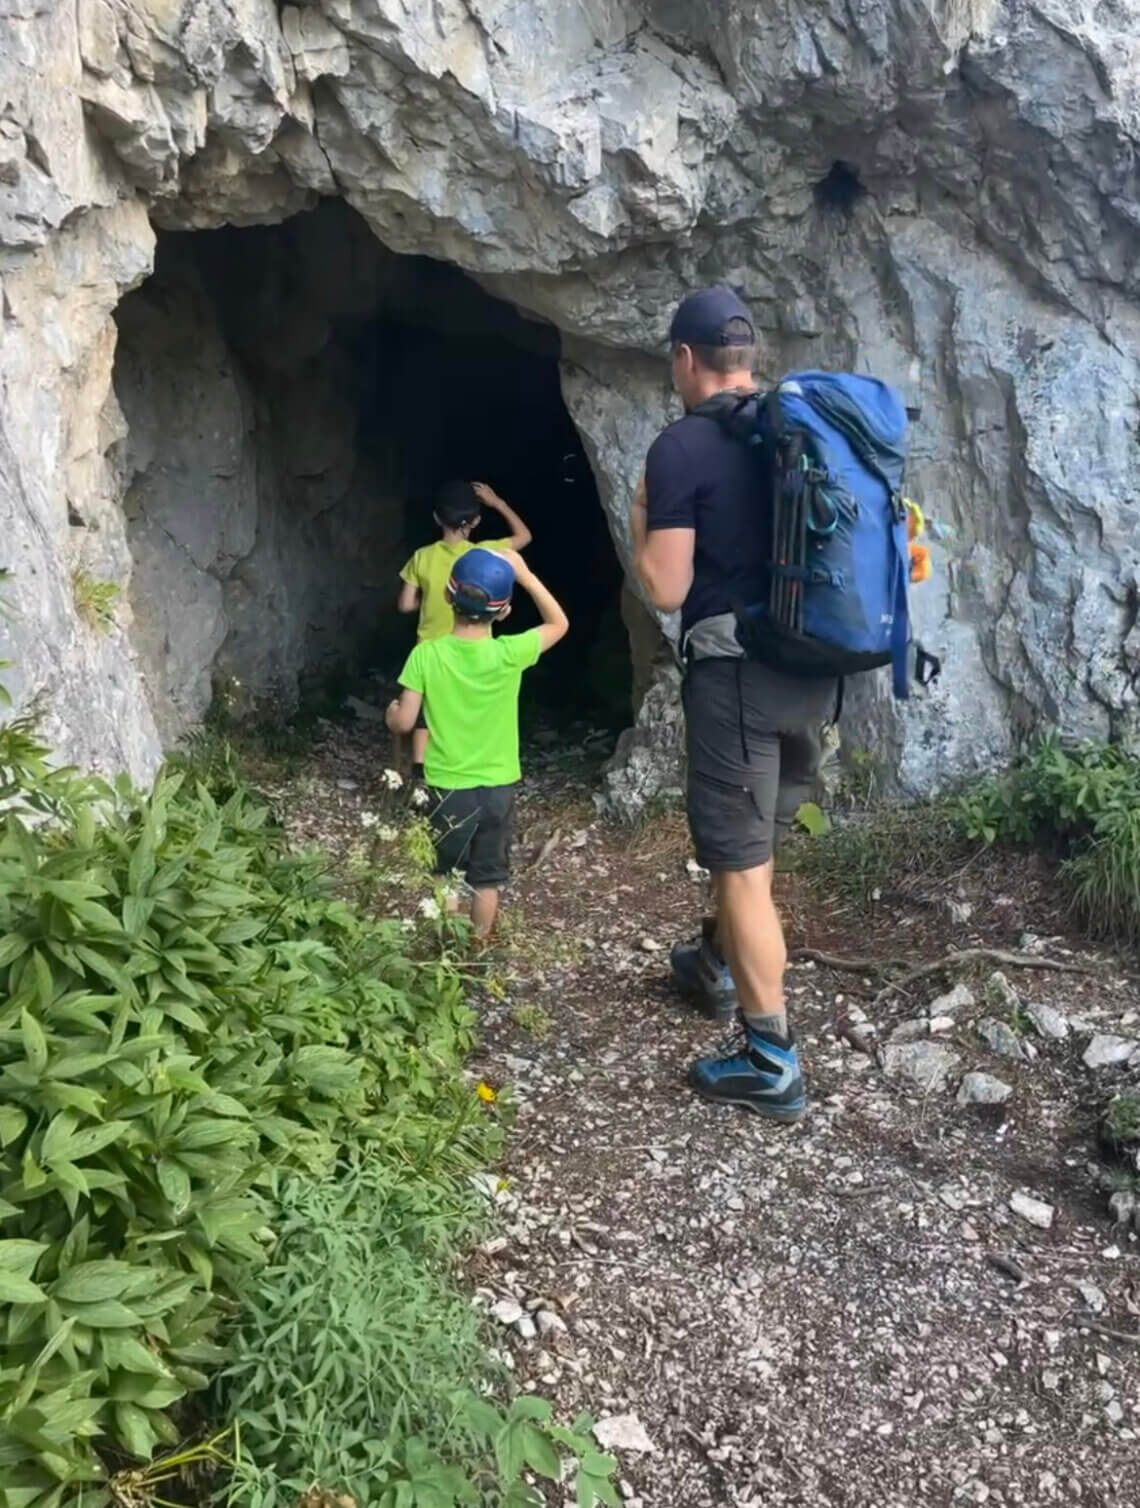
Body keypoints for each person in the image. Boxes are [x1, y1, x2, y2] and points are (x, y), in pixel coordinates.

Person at [630, 286, 837, 1122]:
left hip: (738, 675)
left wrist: (643, 520)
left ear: (686, 359)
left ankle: (770, 1057)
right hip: (817, 672)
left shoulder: (681, 447)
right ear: (746, 358)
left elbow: (667, 584)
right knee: (757, 845)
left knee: (742, 866)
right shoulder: (803, 431)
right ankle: (715, 961)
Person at [385, 548, 568, 939]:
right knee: (487, 878)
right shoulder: (509, 653)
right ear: (502, 611)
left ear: (448, 597)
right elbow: (559, 623)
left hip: (448, 785)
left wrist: (390, 715)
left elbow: (404, 722)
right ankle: (479, 948)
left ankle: (448, 950)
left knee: (446, 874)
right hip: (498, 786)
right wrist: (526, 574)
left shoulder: (426, 655)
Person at [397, 480, 533, 781]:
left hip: (430, 650)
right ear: (476, 521)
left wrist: (430, 596)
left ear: (436, 518)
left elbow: (405, 605)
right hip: (473, 647)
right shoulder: (484, 554)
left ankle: (421, 776)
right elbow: (524, 536)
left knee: (427, 715)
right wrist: (497, 502)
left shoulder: (421, 557)